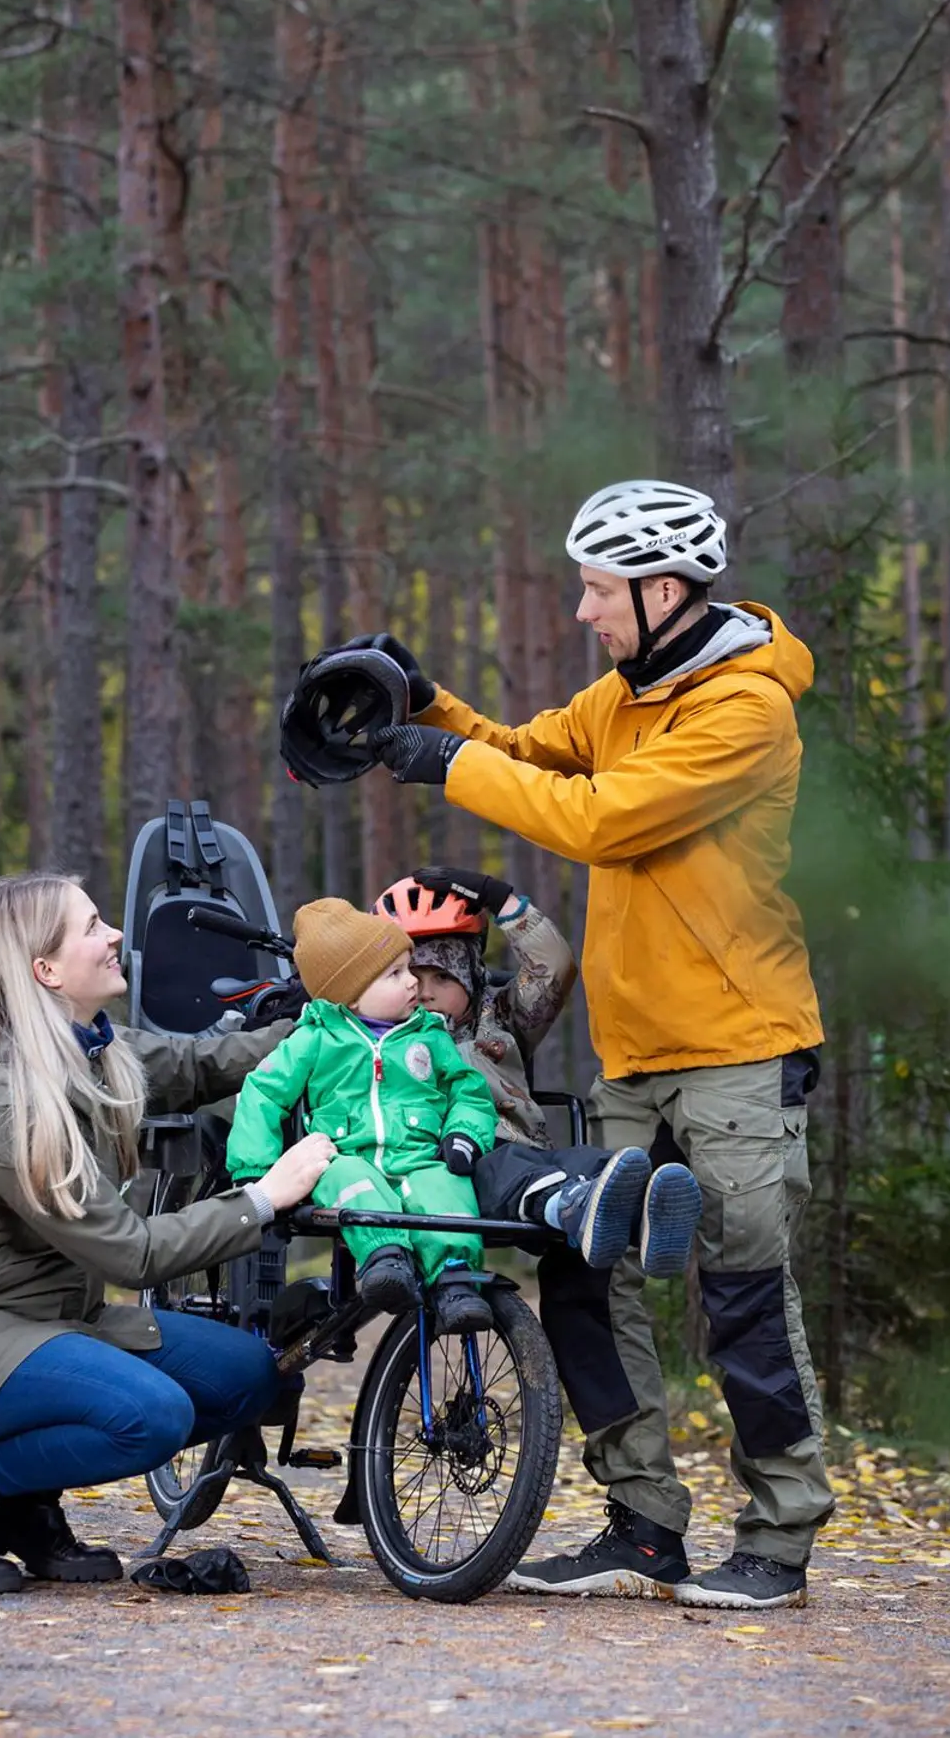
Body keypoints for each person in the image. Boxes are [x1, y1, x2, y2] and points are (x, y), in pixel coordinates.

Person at [358, 479, 833, 1610]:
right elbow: (520, 750)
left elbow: (599, 819)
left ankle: (778, 1534)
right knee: (580, 1268)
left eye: (595, 590)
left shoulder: (742, 708)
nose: (583, 611)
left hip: (735, 1045)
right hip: (632, 1053)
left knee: (742, 1292)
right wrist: (426, 706)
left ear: (661, 590)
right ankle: (642, 1522)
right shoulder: (624, 697)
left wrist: (447, 766)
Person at [0, 873, 334, 1597]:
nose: (114, 936)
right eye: (91, 925)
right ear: (45, 970)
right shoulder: (6, 1101)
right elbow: (131, 1252)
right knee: (150, 1415)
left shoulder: (92, 1045)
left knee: (251, 1378)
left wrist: (324, 1023)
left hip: (43, 1323)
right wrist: (264, 1198)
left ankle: (21, 1503)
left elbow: (201, 1064)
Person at [371, 867, 701, 1281]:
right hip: (445, 1169)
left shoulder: (499, 1017)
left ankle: (642, 1217)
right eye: (409, 976)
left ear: (473, 974)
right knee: (509, 1170)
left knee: (587, 1163)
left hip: (527, 1153)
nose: (424, 990)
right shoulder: (374, 1035)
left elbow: (555, 966)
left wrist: (502, 901)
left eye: (442, 976)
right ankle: (574, 1204)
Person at [225, 897, 500, 1335]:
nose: (414, 983)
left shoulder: (428, 1035)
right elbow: (263, 1091)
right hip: (345, 1154)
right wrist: (256, 1171)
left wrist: (464, 1134)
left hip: (419, 1156)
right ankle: (385, 1262)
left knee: (445, 1190)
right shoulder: (316, 1038)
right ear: (350, 994)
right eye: (396, 974)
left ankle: (455, 1278)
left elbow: (468, 1090)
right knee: (346, 1181)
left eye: (409, 968)